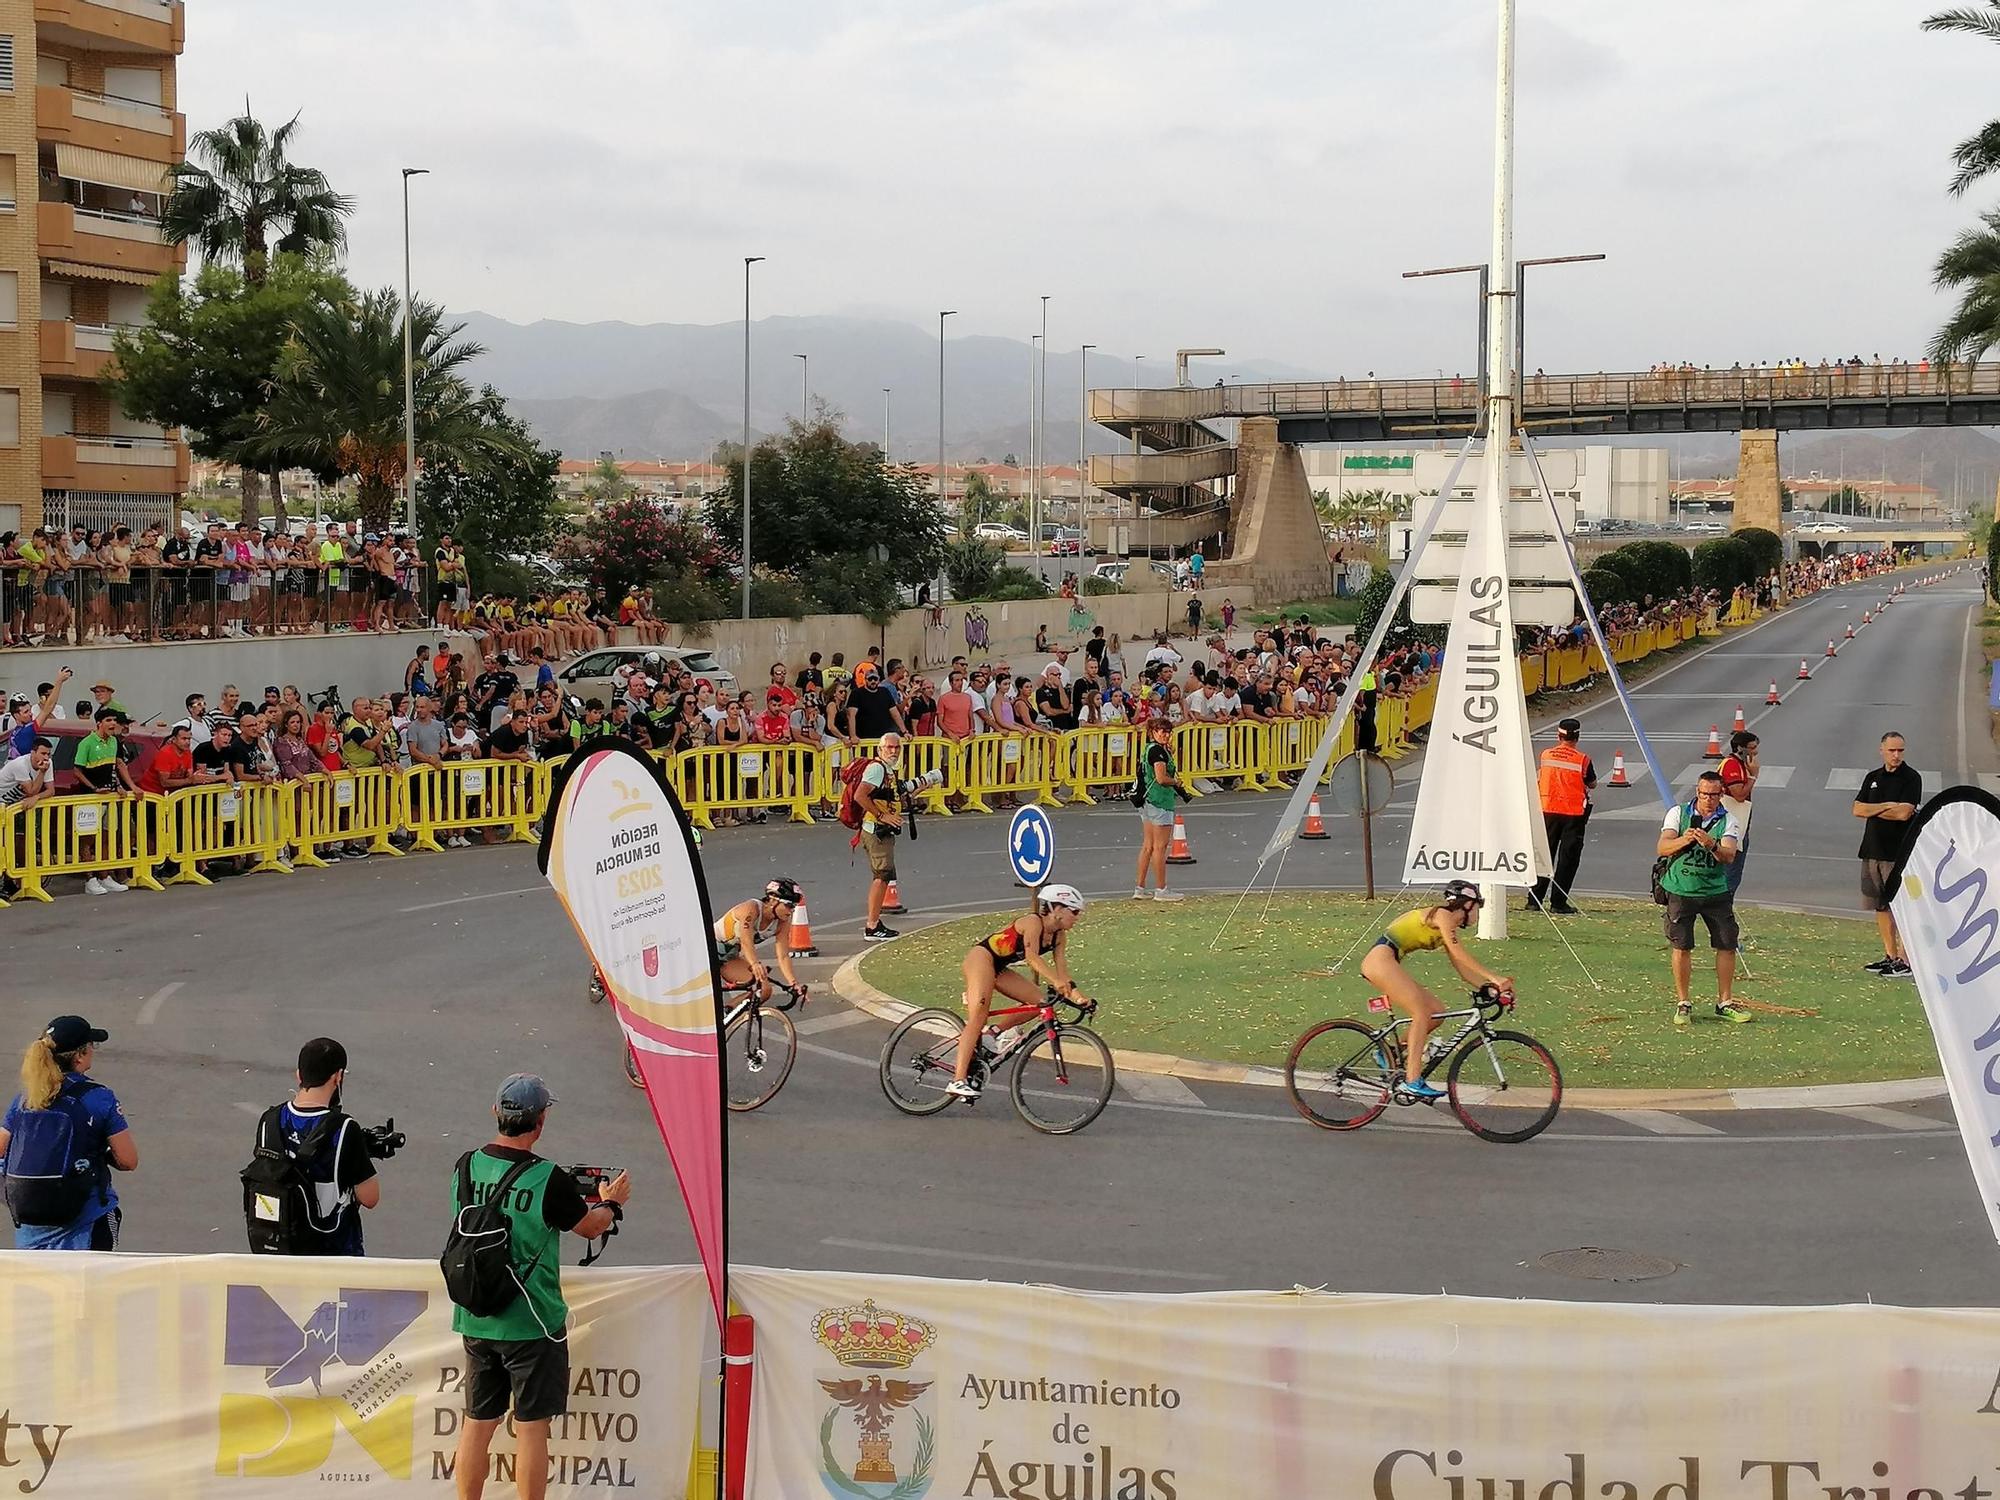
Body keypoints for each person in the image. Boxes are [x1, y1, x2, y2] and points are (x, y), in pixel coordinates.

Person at [449, 1074, 630, 1500]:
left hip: (476, 1315)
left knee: (478, 1423)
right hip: (532, 1322)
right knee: (532, 1430)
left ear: (496, 1112)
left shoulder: (465, 1165)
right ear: (540, 1121)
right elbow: (590, 1227)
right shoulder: (547, 1178)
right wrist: (611, 1202)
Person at [1357, 881, 1514, 1102]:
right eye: (1478, 906)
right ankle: (1412, 1081)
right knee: (1421, 1012)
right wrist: (1494, 978)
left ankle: (1388, 1052)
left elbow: (1462, 970)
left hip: (1388, 959)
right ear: (1468, 905)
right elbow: (1460, 955)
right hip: (1381, 960)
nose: (1478, 912)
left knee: (1436, 1011)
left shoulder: (1446, 928)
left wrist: (1488, 989)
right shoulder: (1442, 915)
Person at [0, 1015, 137, 1249]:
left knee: (39, 1285)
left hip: (31, 1227)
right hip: (86, 1222)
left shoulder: (25, 1099)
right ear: (80, 1056)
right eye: (91, 1046)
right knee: (91, 1285)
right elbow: (128, 1160)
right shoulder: (99, 1098)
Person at [945, 884, 1090, 1101]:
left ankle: (992, 1033)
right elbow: (1032, 957)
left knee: (1042, 1002)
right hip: (981, 959)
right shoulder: (1033, 922)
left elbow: (1063, 974)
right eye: (1075, 911)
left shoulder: (1059, 936)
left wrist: (1080, 998)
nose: (1077, 917)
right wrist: (1055, 981)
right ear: (1056, 909)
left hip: (1000, 967)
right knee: (978, 1016)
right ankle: (957, 1081)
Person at [249, 1037, 381, 1255]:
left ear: (299, 1075)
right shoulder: (344, 1128)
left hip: (277, 1249)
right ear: (337, 1077)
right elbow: (370, 1197)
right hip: (331, 1253)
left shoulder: (269, 1121)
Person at [1657, 770, 1749, 1026]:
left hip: (1715, 890)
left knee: (1727, 944)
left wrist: (1711, 845)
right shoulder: (1678, 814)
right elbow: (1662, 847)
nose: (1708, 799)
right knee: (1681, 945)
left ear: (1721, 795)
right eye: (1703, 793)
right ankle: (1683, 1002)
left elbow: (1729, 855)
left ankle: (1725, 1002)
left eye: (1713, 794)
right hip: (1681, 889)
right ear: (1697, 792)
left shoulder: (1729, 820)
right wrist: (1683, 840)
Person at [1854, 730, 1922, 977]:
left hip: (1898, 854)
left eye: (1900, 750)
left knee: (1902, 906)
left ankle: (1905, 959)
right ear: (1881, 750)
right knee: (1880, 906)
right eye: (1892, 750)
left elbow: (1904, 813)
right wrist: (1885, 806)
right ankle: (1890, 955)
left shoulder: (1911, 778)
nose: (1896, 755)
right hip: (1872, 850)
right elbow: (1858, 809)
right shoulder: (1873, 777)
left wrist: (1875, 810)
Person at [1527, 717, 1595, 914]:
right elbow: (1591, 783)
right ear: (1577, 737)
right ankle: (1558, 903)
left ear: (1558, 736)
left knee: (1543, 856)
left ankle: (1534, 900)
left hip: (1547, 811)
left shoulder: (1546, 755)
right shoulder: (1582, 759)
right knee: (1567, 860)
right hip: (1573, 815)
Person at [853, 731, 907, 942]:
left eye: (897, 747)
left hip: (878, 829)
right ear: (880, 749)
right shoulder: (877, 769)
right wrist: (882, 815)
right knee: (881, 876)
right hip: (876, 831)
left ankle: (875, 923)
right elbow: (860, 795)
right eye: (889, 747)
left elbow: (890, 796)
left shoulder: (888, 770)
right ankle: (872, 926)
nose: (893, 751)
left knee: (884, 876)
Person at [712, 877, 805, 998]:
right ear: (772, 900)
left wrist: (793, 983)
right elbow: (746, 941)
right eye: (789, 905)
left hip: (728, 957)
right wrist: (755, 964)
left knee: (764, 990)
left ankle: (729, 1014)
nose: (791, 911)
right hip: (706, 951)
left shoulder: (783, 921)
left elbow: (783, 955)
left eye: (794, 907)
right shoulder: (751, 908)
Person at [1133, 716, 1186, 901]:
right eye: (1161, 731)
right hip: (1160, 801)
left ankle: (1139, 888)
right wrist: (1176, 782)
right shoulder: (1158, 752)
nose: (1165, 735)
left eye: (1168, 732)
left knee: (1148, 846)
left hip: (1147, 801)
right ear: (1153, 732)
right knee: (1159, 847)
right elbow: (1162, 778)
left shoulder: (1150, 749)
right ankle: (1161, 889)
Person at [1717, 730, 1759, 894]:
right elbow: (1739, 795)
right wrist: (1753, 776)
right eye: (1752, 748)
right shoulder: (1732, 765)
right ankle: (1723, 905)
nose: (1755, 752)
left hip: (1738, 823)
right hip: (1732, 825)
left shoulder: (1740, 764)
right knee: (1731, 873)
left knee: (1734, 872)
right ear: (1740, 749)